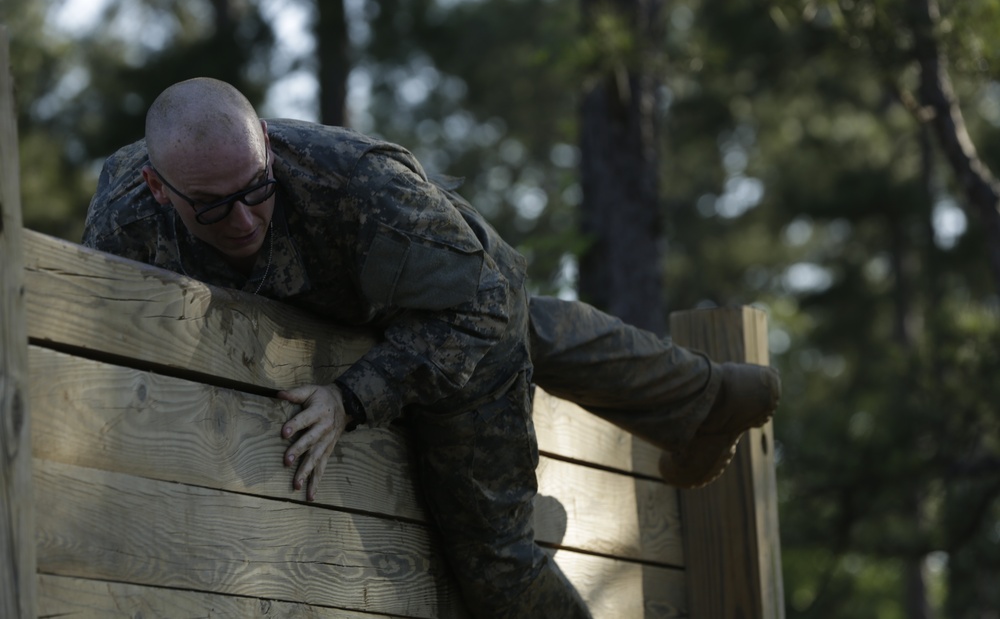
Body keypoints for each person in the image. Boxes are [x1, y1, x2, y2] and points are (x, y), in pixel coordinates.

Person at [82, 77, 780, 618]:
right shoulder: (124, 212)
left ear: (265, 143)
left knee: (494, 564)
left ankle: (704, 398)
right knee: (536, 330)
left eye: (257, 189)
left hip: (460, 306)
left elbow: (485, 309)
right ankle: (706, 397)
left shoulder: (364, 189)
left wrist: (352, 397)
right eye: (211, 205)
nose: (242, 218)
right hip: (379, 296)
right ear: (157, 186)